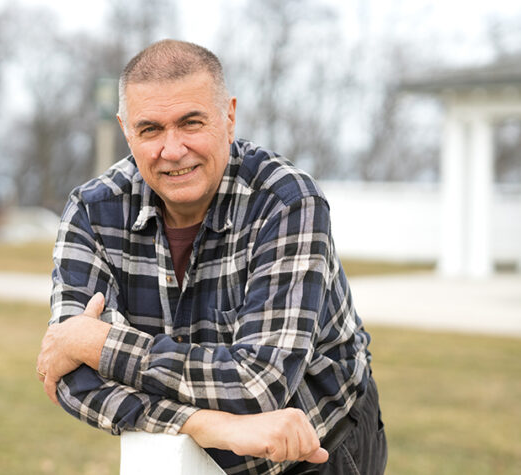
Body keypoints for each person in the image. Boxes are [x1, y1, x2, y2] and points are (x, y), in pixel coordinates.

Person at [36, 39, 387, 475]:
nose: (173, 149)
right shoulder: (92, 211)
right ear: (127, 131)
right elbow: (72, 379)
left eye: (191, 122)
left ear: (229, 117)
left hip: (317, 447)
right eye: (150, 129)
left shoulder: (287, 201)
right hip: (191, 452)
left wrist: (96, 343)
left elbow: (260, 385)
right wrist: (208, 425)